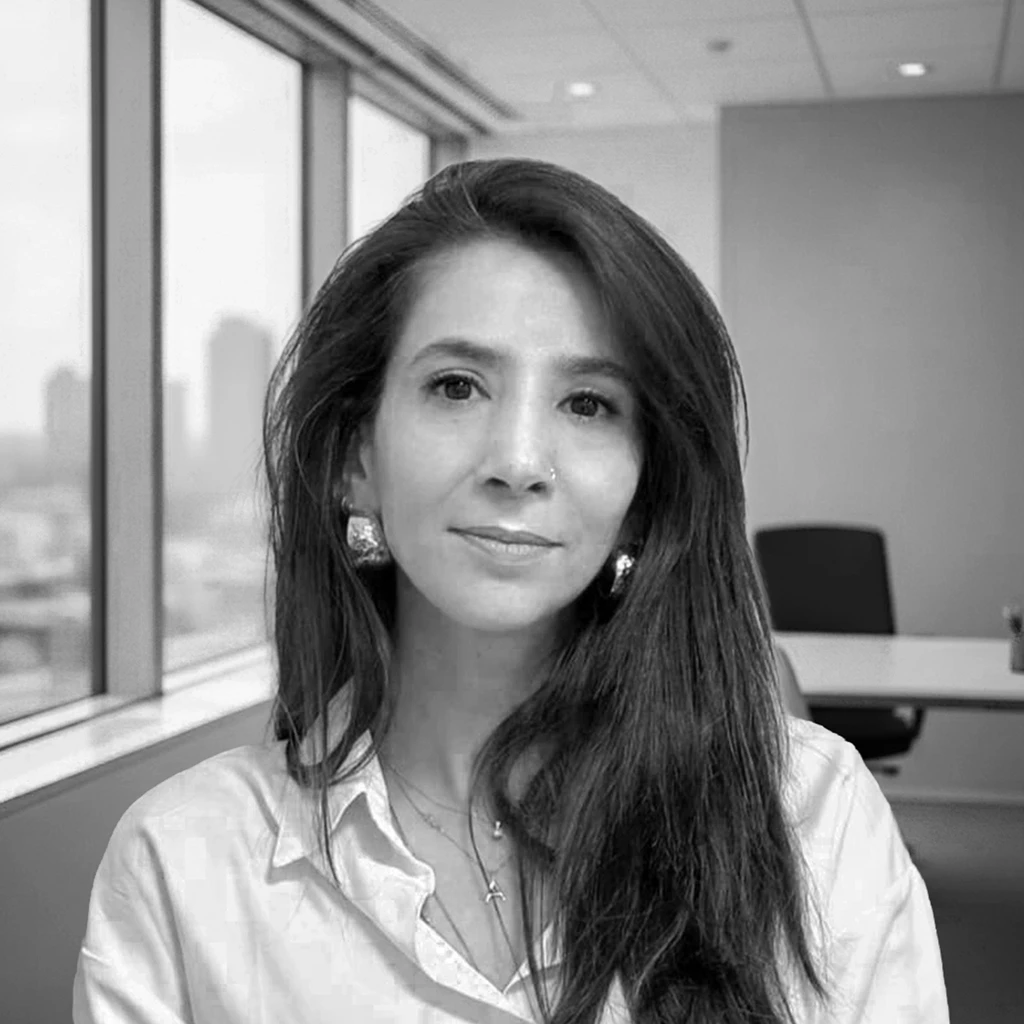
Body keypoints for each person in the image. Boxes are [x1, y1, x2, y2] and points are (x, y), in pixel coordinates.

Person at [73, 158, 948, 1024]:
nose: (519, 462)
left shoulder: (816, 815)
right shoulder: (182, 861)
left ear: (645, 490)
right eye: (457, 387)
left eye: (589, 403)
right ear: (355, 458)